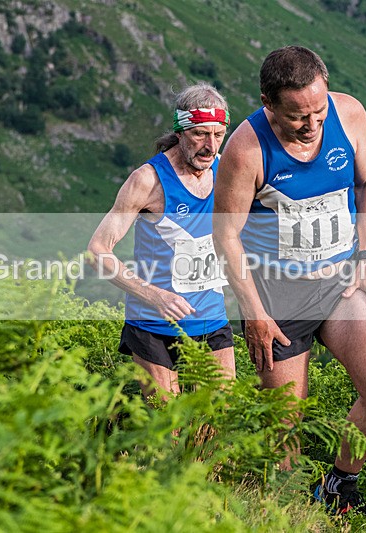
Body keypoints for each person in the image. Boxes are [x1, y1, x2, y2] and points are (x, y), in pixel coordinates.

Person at [213, 46, 366, 520]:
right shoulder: (246, 149)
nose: (312, 125)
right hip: (277, 297)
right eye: (298, 116)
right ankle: (292, 518)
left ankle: (338, 487)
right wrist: (254, 313)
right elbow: (225, 236)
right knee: (284, 431)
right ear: (268, 103)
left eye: (318, 111)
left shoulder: (349, 114)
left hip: (341, 282)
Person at [87, 82, 235, 401]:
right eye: (200, 134)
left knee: (217, 418)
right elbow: (97, 250)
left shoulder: (226, 171)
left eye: (218, 134)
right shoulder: (147, 180)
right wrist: (153, 295)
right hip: (153, 324)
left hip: (211, 318)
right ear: (180, 132)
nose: (210, 146)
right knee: (169, 424)